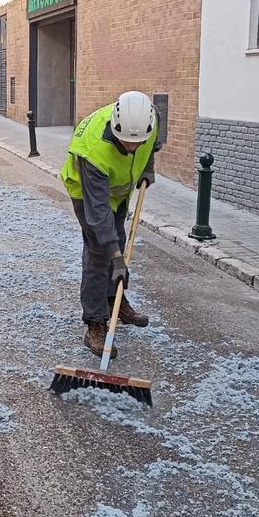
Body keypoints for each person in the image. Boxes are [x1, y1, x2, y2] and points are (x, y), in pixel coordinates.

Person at [59, 91, 163, 358]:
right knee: (99, 251)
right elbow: (98, 215)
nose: (131, 148)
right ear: (115, 128)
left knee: (118, 239)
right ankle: (95, 323)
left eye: (136, 143)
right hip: (87, 193)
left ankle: (114, 302)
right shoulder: (92, 150)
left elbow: (152, 142)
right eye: (126, 142)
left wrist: (148, 167)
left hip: (119, 190)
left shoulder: (149, 121)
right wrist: (117, 260)